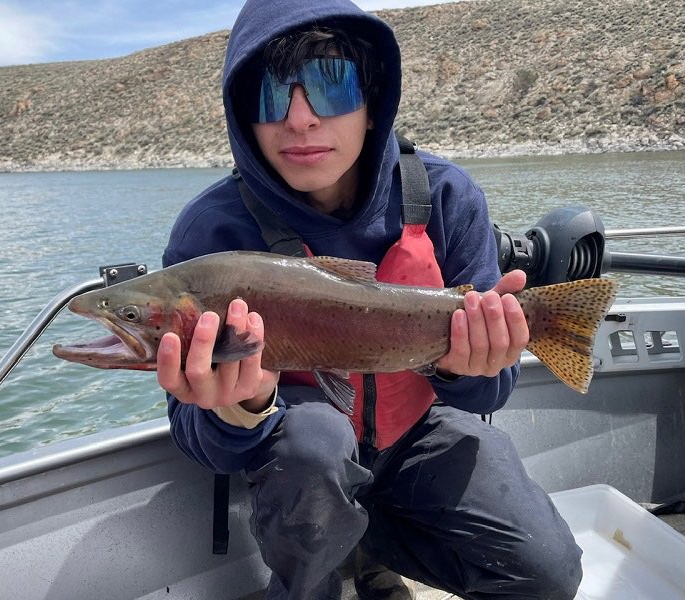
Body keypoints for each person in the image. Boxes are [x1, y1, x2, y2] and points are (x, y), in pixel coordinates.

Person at [157, 0, 583, 598]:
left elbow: (492, 390)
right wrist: (239, 407)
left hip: (421, 430)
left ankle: (363, 545)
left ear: (373, 96)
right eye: (269, 95)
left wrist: (475, 367)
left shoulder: (447, 195)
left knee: (548, 574)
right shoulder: (210, 234)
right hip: (300, 458)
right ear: (241, 114)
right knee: (314, 448)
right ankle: (321, 571)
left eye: (331, 86)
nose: (299, 119)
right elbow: (195, 435)